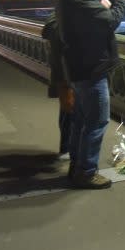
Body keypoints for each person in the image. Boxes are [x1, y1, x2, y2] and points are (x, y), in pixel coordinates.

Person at [57, 0, 125, 189]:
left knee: (81, 120)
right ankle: (87, 172)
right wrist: (122, 0)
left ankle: (77, 166)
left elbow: (95, 14)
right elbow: (110, 21)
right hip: (91, 69)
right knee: (97, 121)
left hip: (79, 68)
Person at [41, 12, 74, 160]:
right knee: (70, 110)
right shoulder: (64, 13)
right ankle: (68, 149)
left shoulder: (58, 12)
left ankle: (67, 148)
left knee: (67, 110)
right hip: (70, 71)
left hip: (64, 70)